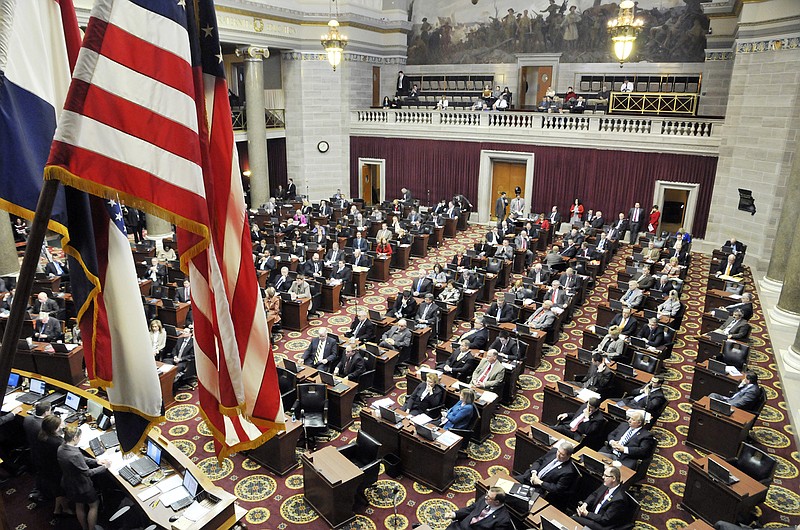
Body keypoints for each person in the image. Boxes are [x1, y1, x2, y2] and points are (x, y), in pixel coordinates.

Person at [57, 425, 110, 530]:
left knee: (79, 504)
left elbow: (80, 459)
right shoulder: (75, 454)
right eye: (79, 437)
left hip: (69, 483)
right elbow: (88, 473)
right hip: (81, 486)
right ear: (74, 438)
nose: (80, 439)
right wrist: (104, 467)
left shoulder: (61, 447)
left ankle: (84, 528)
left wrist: (96, 461)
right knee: (94, 505)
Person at [574, 465, 632, 530]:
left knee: (573, 519)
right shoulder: (606, 485)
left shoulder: (619, 499)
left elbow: (605, 519)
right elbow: (594, 494)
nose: (603, 477)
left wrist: (587, 514)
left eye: (606, 476)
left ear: (613, 478)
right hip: (594, 515)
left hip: (602, 525)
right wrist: (585, 504)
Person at [513, 440, 579, 497]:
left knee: (520, 500)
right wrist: (534, 473)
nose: (558, 455)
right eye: (558, 451)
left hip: (540, 488)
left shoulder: (568, 471)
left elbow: (557, 488)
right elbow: (538, 461)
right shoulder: (553, 451)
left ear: (569, 456)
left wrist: (540, 482)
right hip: (530, 477)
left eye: (562, 454)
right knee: (509, 484)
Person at [36, 415, 72, 516]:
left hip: (45, 467)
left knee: (57, 490)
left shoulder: (42, 434)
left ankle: (57, 510)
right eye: (59, 424)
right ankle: (65, 509)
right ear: (55, 429)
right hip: (56, 471)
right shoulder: (57, 442)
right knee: (61, 491)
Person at [444, 486, 512, 530]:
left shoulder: (503, 520)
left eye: (489, 497)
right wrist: (454, 514)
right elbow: (471, 509)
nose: (485, 497)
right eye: (487, 494)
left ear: (497, 502)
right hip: (460, 526)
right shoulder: (485, 499)